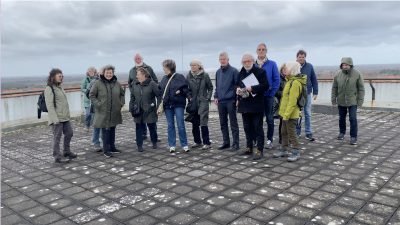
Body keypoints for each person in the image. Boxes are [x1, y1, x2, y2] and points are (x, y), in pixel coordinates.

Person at [237, 54, 268, 160]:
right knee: (247, 128)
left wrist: (252, 88)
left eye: (248, 61)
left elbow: (265, 86)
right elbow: (237, 84)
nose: (246, 63)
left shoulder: (260, 71)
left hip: (256, 104)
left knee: (257, 128)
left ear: (253, 61)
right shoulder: (240, 72)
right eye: (244, 61)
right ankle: (249, 147)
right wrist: (237, 89)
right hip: (244, 104)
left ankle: (259, 150)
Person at [273, 62, 307, 162]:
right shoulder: (289, 81)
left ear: (292, 70)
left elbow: (292, 102)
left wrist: (286, 115)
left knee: (292, 133)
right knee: (283, 132)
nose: (285, 70)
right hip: (285, 114)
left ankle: (296, 152)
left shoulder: (295, 83)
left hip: (291, 114)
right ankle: (284, 149)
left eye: (287, 68)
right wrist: (283, 113)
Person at [90, 65, 125, 158]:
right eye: (107, 73)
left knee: (112, 129)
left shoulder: (116, 83)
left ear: (113, 73)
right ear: (103, 73)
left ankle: (112, 147)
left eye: (111, 73)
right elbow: (92, 95)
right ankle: (106, 150)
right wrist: (98, 104)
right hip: (103, 112)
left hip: (114, 111)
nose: (109, 74)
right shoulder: (98, 83)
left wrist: (121, 103)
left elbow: (122, 94)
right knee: (105, 130)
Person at [158, 59, 191, 153]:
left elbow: (185, 89)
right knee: (170, 125)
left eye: (164, 67)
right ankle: (172, 145)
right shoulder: (164, 79)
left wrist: (182, 93)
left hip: (178, 104)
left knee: (180, 125)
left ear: (169, 67)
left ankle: (184, 144)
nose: (163, 69)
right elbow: (160, 92)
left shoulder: (179, 77)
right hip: (168, 105)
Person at [45, 68, 77, 163]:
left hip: (65, 117)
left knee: (69, 133)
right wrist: (55, 120)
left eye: (62, 76)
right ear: (53, 77)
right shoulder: (49, 89)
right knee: (57, 138)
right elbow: (49, 106)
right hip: (57, 119)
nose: (61, 77)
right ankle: (57, 157)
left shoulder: (60, 87)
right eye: (59, 76)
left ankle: (66, 151)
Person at [331, 57, 365, 145]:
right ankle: (342, 133)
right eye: (343, 65)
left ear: (350, 65)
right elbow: (334, 87)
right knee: (341, 118)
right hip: (341, 100)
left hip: (352, 100)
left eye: (346, 65)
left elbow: (361, 88)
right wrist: (333, 99)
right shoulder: (338, 74)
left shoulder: (357, 74)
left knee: (352, 118)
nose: (345, 66)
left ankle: (353, 137)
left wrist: (360, 100)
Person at [128, 53, 158, 141]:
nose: (137, 59)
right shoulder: (132, 70)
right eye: (136, 58)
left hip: (148, 97)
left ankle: (154, 137)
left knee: (151, 120)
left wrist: (151, 88)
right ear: (134, 60)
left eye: (139, 58)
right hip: (137, 97)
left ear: (142, 59)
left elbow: (155, 80)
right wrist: (133, 91)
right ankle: (142, 135)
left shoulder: (149, 68)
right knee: (139, 118)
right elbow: (130, 82)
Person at [255, 43, 280, 149]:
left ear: (266, 51)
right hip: (256, 97)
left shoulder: (272, 64)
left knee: (270, 119)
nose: (261, 51)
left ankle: (269, 140)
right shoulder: (253, 64)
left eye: (263, 49)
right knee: (257, 119)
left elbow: (276, 80)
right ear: (256, 51)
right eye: (259, 49)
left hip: (268, 96)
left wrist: (272, 93)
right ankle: (258, 140)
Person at [130, 67, 160, 152]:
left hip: (150, 109)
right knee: (138, 127)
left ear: (144, 75)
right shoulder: (134, 84)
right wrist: (131, 108)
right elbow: (132, 97)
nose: (137, 76)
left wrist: (158, 107)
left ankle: (154, 142)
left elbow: (159, 96)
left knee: (152, 126)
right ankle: (139, 145)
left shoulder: (152, 84)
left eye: (138, 74)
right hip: (138, 109)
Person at [214, 52, 240, 151]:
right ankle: (226, 142)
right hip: (221, 101)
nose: (222, 61)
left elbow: (237, 85)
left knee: (233, 123)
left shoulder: (234, 71)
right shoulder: (217, 72)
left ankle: (236, 144)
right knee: (223, 123)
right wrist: (216, 96)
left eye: (224, 59)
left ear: (228, 59)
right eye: (221, 59)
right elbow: (217, 86)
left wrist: (237, 99)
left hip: (231, 101)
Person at [186, 59, 214, 150]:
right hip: (193, 102)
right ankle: (197, 141)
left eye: (194, 65)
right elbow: (186, 89)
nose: (193, 67)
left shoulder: (205, 75)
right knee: (194, 122)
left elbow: (210, 87)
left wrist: (208, 98)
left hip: (203, 101)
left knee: (203, 122)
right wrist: (189, 97)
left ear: (199, 66)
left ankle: (207, 142)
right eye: (191, 65)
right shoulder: (188, 76)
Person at [295, 49, 318, 141]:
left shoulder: (309, 66)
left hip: (307, 93)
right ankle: (297, 132)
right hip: (297, 94)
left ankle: (308, 132)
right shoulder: (294, 66)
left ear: (305, 57)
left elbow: (314, 79)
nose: (301, 58)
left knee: (308, 113)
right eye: (299, 57)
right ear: (297, 57)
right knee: (297, 114)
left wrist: (316, 92)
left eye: (303, 57)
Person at [81, 67, 101, 151]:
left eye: (93, 71)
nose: (91, 72)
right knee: (88, 114)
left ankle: (97, 141)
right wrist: (89, 91)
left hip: (95, 102)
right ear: (88, 72)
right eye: (90, 71)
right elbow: (83, 88)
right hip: (87, 101)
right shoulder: (86, 79)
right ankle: (87, 125)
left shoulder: (98, 79)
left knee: (96, 120)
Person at [276, 64, 288, 144]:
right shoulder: (279, 79)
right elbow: (276, 92)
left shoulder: (289, 78)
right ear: (281, 70)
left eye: (287, 69)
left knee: (288, 122)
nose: (286, 71)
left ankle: (287, 138)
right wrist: (285, 93)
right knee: (282, 122)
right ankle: (281, 138)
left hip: (289, 103)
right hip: (281, 103)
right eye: (284, 69)